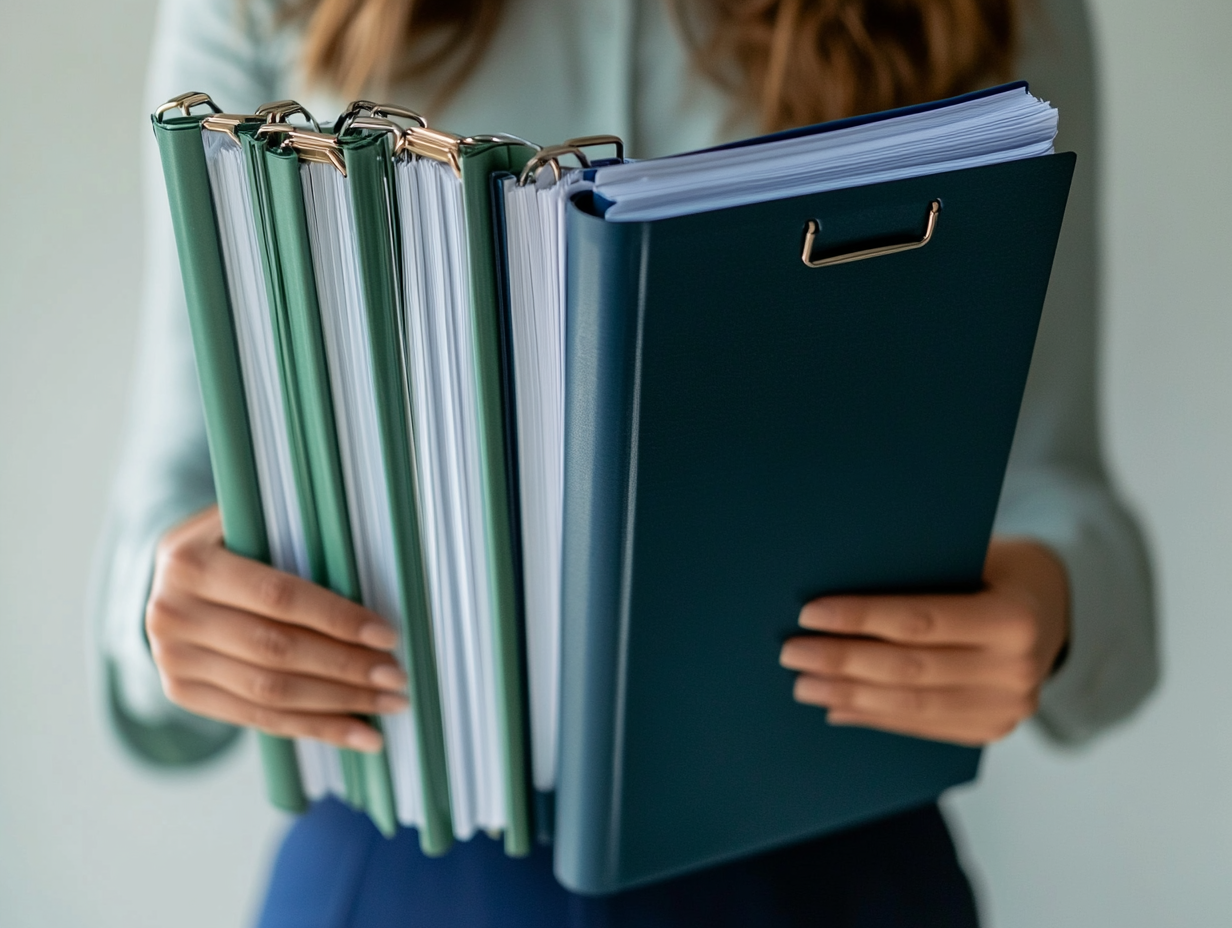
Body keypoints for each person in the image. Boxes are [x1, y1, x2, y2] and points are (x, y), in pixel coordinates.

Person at [91, 0, 1158, 924]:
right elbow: (173, 495)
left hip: (827, 856)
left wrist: (1046, 603)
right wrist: (170, 603)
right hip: (409, 856)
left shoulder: (978, 12)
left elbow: (1056, 490)